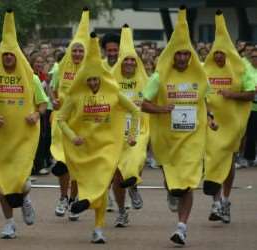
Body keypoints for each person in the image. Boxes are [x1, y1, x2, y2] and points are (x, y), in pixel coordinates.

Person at [141, 7, 218, 246]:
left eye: (186, 54)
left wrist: (212, 118)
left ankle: (181, 227)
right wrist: (161, 109)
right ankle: (170, 189)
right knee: (173, 182)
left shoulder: (200, 75)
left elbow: (204, 100)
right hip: (167, 138)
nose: (183, 58)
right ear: (172, 55)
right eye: (179, 55)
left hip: (192, 137)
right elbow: (143, 103)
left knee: (187, 182)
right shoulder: (158, 77)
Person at [0, 9, 48, 239]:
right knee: (3, 184)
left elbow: (43, 104)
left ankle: (25, 199)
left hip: (24, 139)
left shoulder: (32, 79)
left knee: (21, 182)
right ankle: (9, 223)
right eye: (4, 55)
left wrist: (36, 115)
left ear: (18, 56)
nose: (7, 59)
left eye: (11, 55)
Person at [59, 32, 139, 244]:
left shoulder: (113, 94)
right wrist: (72, 136)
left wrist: (132, 136)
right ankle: (85, 200)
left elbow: (136, 112)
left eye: (97, 79)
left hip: (107, 148)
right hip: (84, 149)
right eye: (90, 79)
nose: (94, 82)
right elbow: (61, 119)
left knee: (103, 183)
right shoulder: (75, 96)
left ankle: (97, 227)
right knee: (91, 182)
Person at [203, 10, 255, 224]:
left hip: (233, 124)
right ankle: (216, 203)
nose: (218, 56)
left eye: (222, 53)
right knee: (212, 159)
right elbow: (199, 94)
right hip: (212, 123)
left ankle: (225, 199)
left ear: (228, 53)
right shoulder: (205, 69)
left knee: (228, 161)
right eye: (215, 53)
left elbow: (251, 94)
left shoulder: (242, 70)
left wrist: (232, 94)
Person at [49, 7, 89, 221]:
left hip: (82, 123)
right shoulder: (59, 69)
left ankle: (74, 199)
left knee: (76, 165)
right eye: (74, 50)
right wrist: (54, 100)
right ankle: (63, 197)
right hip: (61, 122)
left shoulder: (91, 70)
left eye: (81, 50)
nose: (77, 54)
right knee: (63, 162)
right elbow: (53, 89)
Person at [111, 24, 150, 227]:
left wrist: (142, 104)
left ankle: (134, 183)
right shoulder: (110, 79)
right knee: (117, 173)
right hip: (116, 131)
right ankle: (120, 210)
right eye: (125, 59)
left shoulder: (145, 80)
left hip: (139, 129)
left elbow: (153, 102)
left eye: (131, 60)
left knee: (137, 158)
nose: (128, 62)